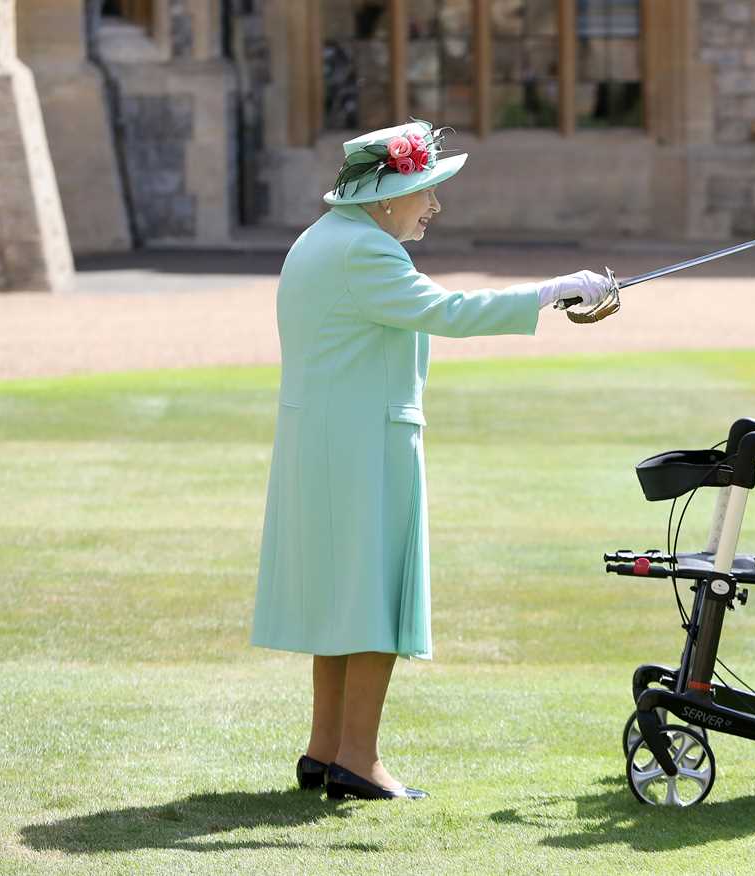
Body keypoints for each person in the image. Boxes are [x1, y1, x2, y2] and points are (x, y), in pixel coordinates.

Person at [250, 119, 613, 801]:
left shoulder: (321, 240)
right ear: (388, 196)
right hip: (364, 445)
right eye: (425, 191)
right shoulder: (365, 250)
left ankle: (326, 749)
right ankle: (357, 760)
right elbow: (447, 311)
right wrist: (551, 290)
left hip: (326, 443)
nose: (433, 207)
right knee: (375, 598)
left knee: (343, 598)